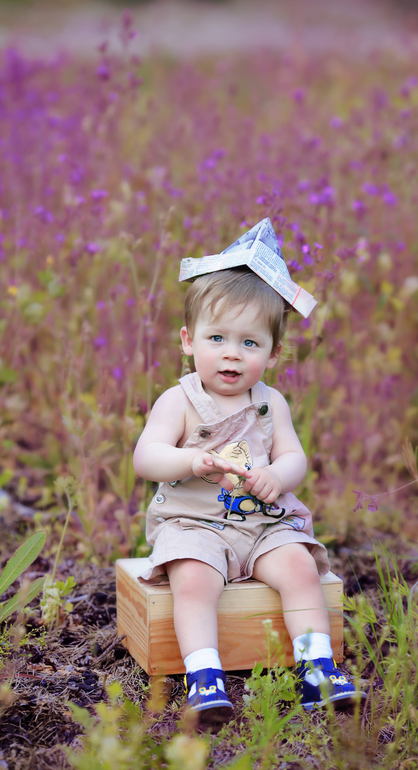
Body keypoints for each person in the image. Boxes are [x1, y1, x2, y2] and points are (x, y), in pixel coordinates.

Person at [133, 221, 364, 725]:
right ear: (188, 340)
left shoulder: (271, 402)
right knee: (193, 579)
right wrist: (189, 460)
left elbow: (294, 456)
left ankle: (316, 668)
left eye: (250, 343)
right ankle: (204, 675)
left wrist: (278, 476)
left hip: (262, 523)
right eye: (217, 338)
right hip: (194, 524)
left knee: (300, 568)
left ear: (274, 353)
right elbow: (146, 457)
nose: (232, 353)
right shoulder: (178, 400)